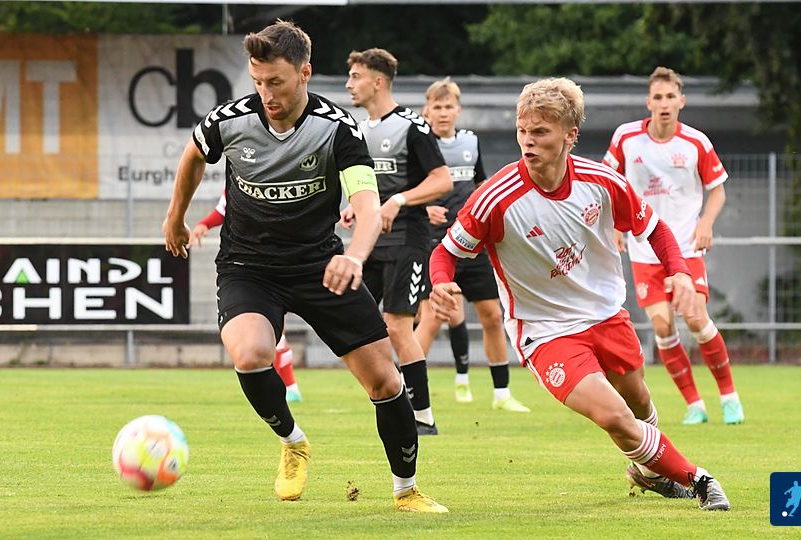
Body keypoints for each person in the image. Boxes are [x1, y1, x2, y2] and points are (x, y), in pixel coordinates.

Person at [162, 21, 446, 512]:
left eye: (276, 82)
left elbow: (367, 203)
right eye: (258, 82)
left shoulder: (336, 128)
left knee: (385, 381)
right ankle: (293, 442)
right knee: (250, 353)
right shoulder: (229, 120)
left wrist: (353, 256)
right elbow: (193, 155)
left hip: (320, 264)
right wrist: (176, 218)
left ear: (305, 73)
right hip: (248, 266)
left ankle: (407, 490)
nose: (266, 94)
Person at [429, 77, 730, 511]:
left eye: (540, 132)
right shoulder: (495, 196)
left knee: (639, 402)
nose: (527, 141)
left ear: (570, 135)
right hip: (546, 332)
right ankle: (699, 480)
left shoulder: (602, 182)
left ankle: (648, 472)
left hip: (607, 315)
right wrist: (442, 282)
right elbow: (446, 252)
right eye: (522, 130)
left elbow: (655, 229)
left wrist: (679, 273)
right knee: (613, 415)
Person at [603, 67, 744, 426]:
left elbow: (718, 190)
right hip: (643, 248)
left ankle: (729, 397)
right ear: (648, 102)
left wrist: (706, 223)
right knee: (663, 326)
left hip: (684, 248)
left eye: (670, 97)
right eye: (658, 97)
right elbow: (609, 184)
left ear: (682, 101)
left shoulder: (696, 142)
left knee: (696, 319)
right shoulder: (626, 138)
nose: (664, 104)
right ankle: (694, 404)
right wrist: (616, 225)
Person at [343, 48, 452, 435]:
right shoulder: (358, 129)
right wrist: (355, 207)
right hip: (371, 240)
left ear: (378, 81)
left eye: (356, 76)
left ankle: (422, 417)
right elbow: (368, 184)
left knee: (397, 325)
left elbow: (442, 180)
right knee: (352, 319)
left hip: (408, 239)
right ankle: (391, 395)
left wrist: (399, 201)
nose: (349, 84)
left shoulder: (412, 126)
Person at [413, 77, 529, 413]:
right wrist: (424, 209)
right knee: (432, 317)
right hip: (436, 245)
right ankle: (407, 389)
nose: (443, 112)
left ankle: (501, 394)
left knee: (492, 315)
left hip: (471, 242)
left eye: (448, 106)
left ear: (458, 110)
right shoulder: (419, 143)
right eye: (437, 106)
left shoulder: (470, 142)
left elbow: (481, 184)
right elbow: (405, 189)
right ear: (427, 110)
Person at [193, 192, 303, 403]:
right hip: (258, 266)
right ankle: (289, 386)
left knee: (273, 334)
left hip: (282, 263)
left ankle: (287, 387)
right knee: (273, 334)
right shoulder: (238, 181)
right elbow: (223, 208)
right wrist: (204, 224)